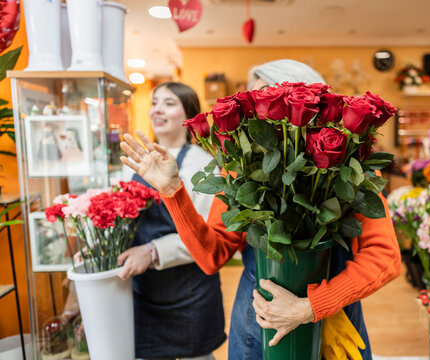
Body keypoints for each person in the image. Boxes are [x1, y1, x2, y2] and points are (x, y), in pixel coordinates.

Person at [120, 60, 401, 360]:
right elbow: (211, 254)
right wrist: (172, 191)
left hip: (332, 326)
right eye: (254, 102)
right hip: (258, 328)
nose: (258, 112)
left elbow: (384, 256)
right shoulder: (241, 169)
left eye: (268, 98)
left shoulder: (350, 168)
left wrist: (309, 308)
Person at [117, 82, 226, 360]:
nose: (157, 109)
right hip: (145, 290)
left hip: (191, 292)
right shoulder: (133, 162)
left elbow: (206, 236)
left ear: (188, 115)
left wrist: (152, 251)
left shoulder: (204, 166)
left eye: (169, 103)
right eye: (155, 102)